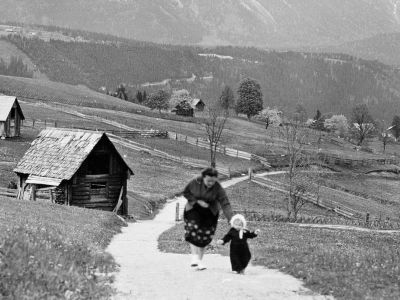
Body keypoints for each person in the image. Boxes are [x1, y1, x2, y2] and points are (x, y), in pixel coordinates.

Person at [183, 167, 233, 270]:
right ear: (203, 177)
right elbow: (186, 192)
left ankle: (200, 262)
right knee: (192, 229)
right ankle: (194, 257)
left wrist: (231, 219)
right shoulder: (195, 182)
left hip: (210, 212)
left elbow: (225, 203)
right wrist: (197, 201)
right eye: (208, 181)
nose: (210, 183)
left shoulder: (218, 188)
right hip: (194, 208)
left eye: (213, 181)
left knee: (204, 236)